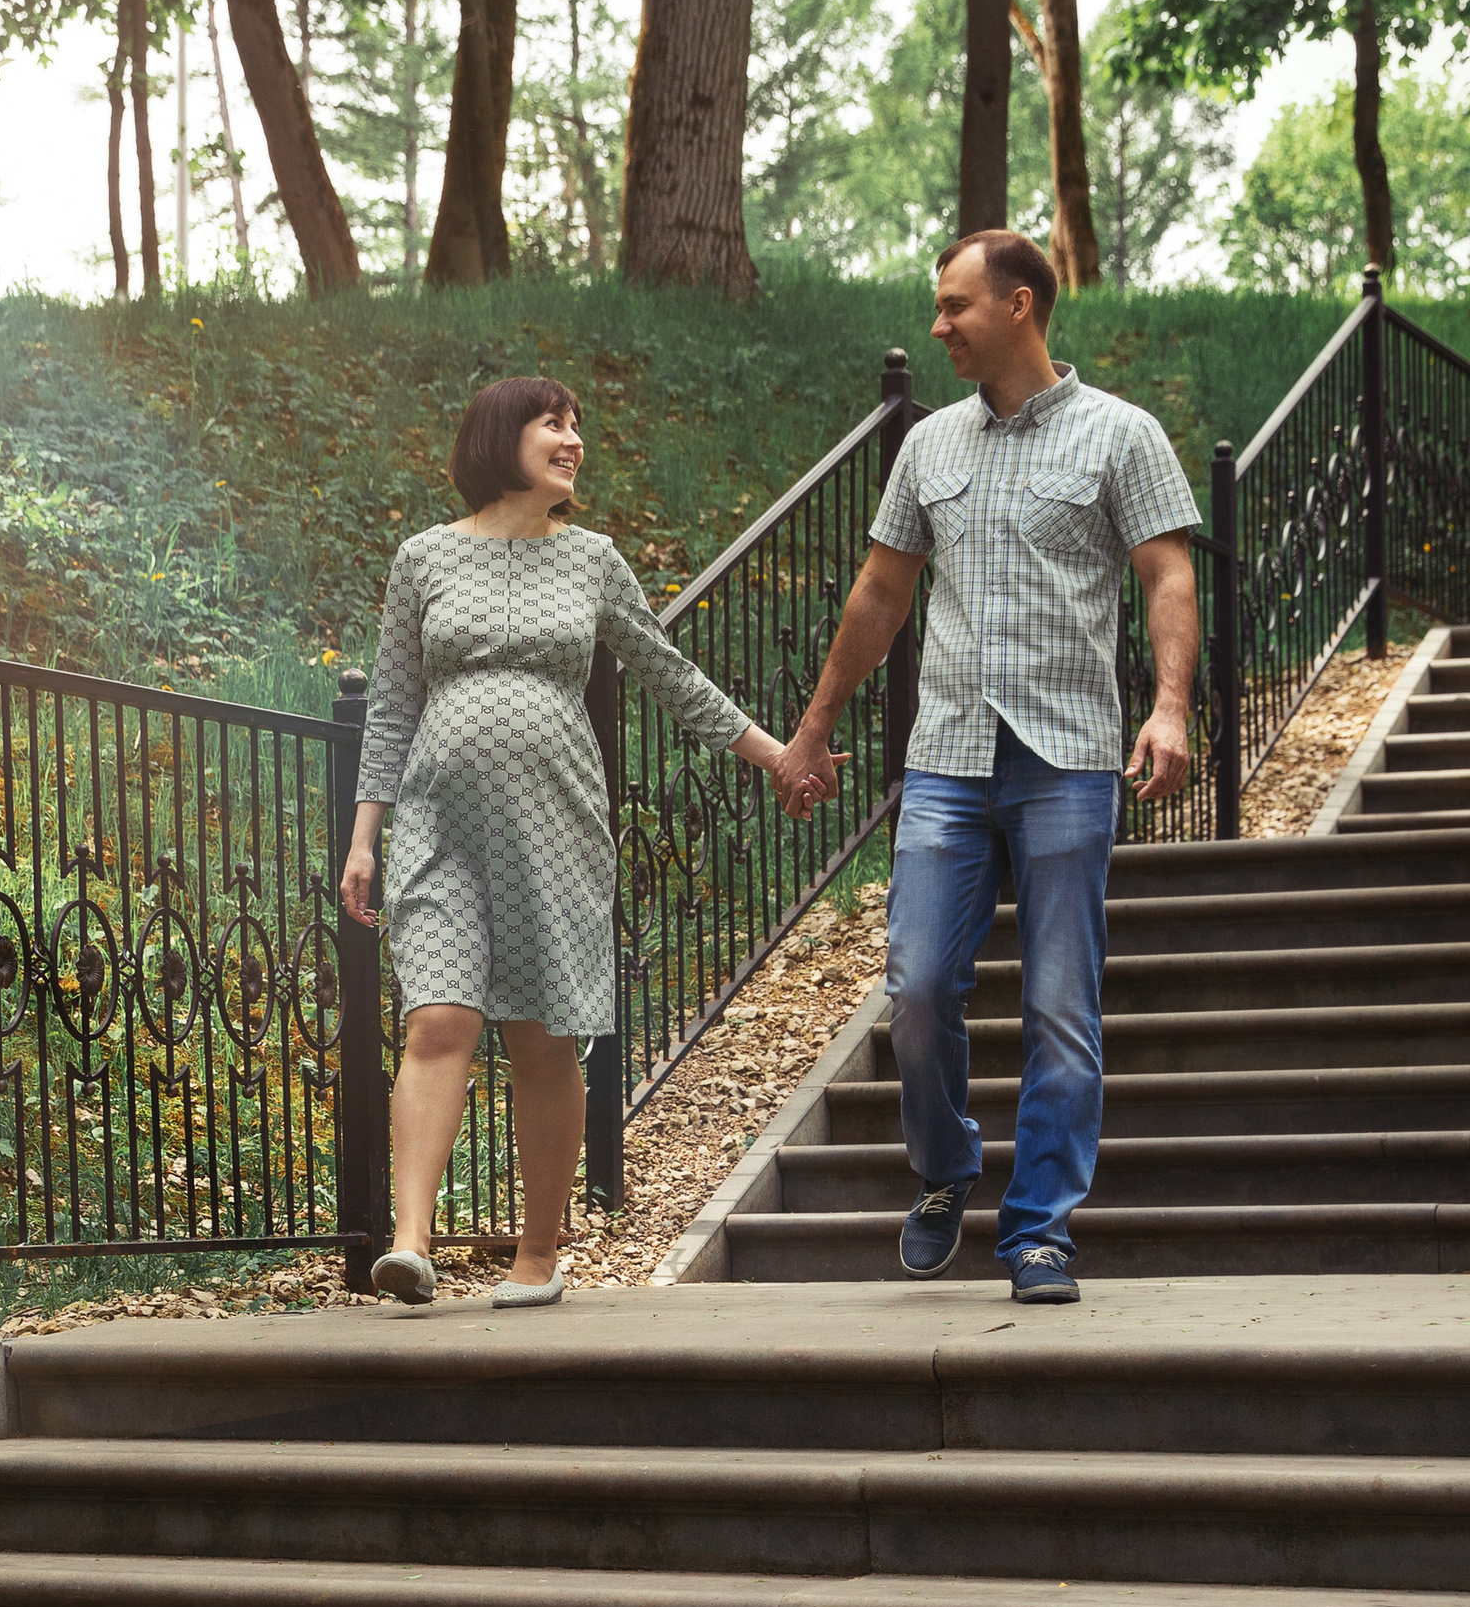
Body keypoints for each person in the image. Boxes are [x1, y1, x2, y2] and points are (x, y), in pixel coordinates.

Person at [770, 226, 1202, 1305]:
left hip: (1066, 758)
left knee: (1062, 1005)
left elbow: (1165, 576)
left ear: (1017, 307)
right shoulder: (929, 447)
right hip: (949, 761)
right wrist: (816, 725)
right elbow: (879, 593)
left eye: (954, 305)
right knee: (917, 988)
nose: (937, 325)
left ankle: (1040, 1228)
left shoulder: (1120, 436)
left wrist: (1169, 706)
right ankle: (945, 1166)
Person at [340, 375, 797, 1309]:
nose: (572, 439)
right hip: (438, 818)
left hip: (557, 822)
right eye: (553, 424)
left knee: (544, 1038)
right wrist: (364, 837)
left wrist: (774, 754)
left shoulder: (592, 561)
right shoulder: (423, 559)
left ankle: (537, 1254)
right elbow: (390, 705)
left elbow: (668, 675)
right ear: (501, 438)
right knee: (439, 1020)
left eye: (576, 425)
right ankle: (411, 1244)